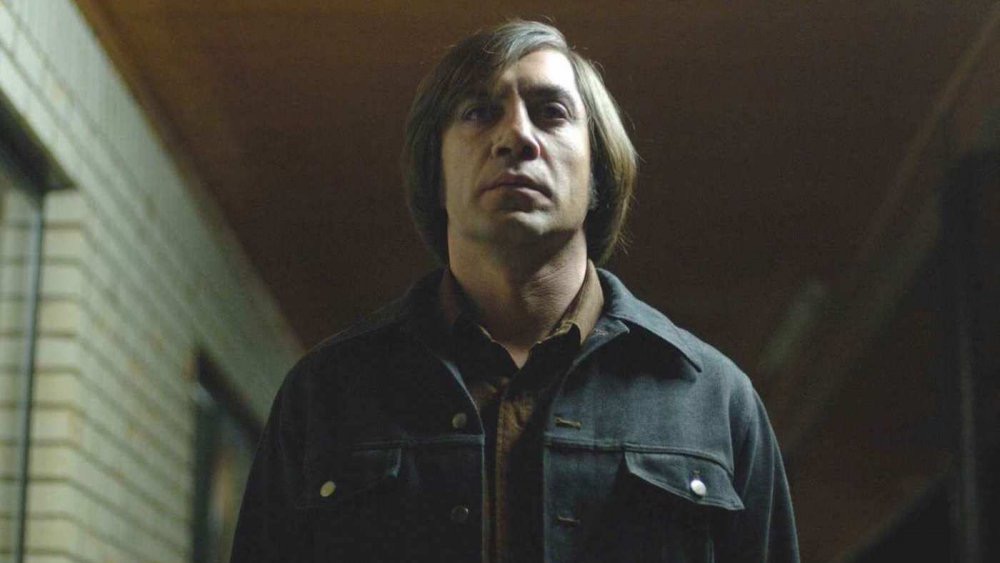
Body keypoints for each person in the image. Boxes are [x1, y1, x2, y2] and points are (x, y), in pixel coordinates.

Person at [230, 20, 799, 563]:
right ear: (436, 174)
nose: (517, 136)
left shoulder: (713, 399)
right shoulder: (325, 394)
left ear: (598, 174)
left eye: (552, 112)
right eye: (479, 112)